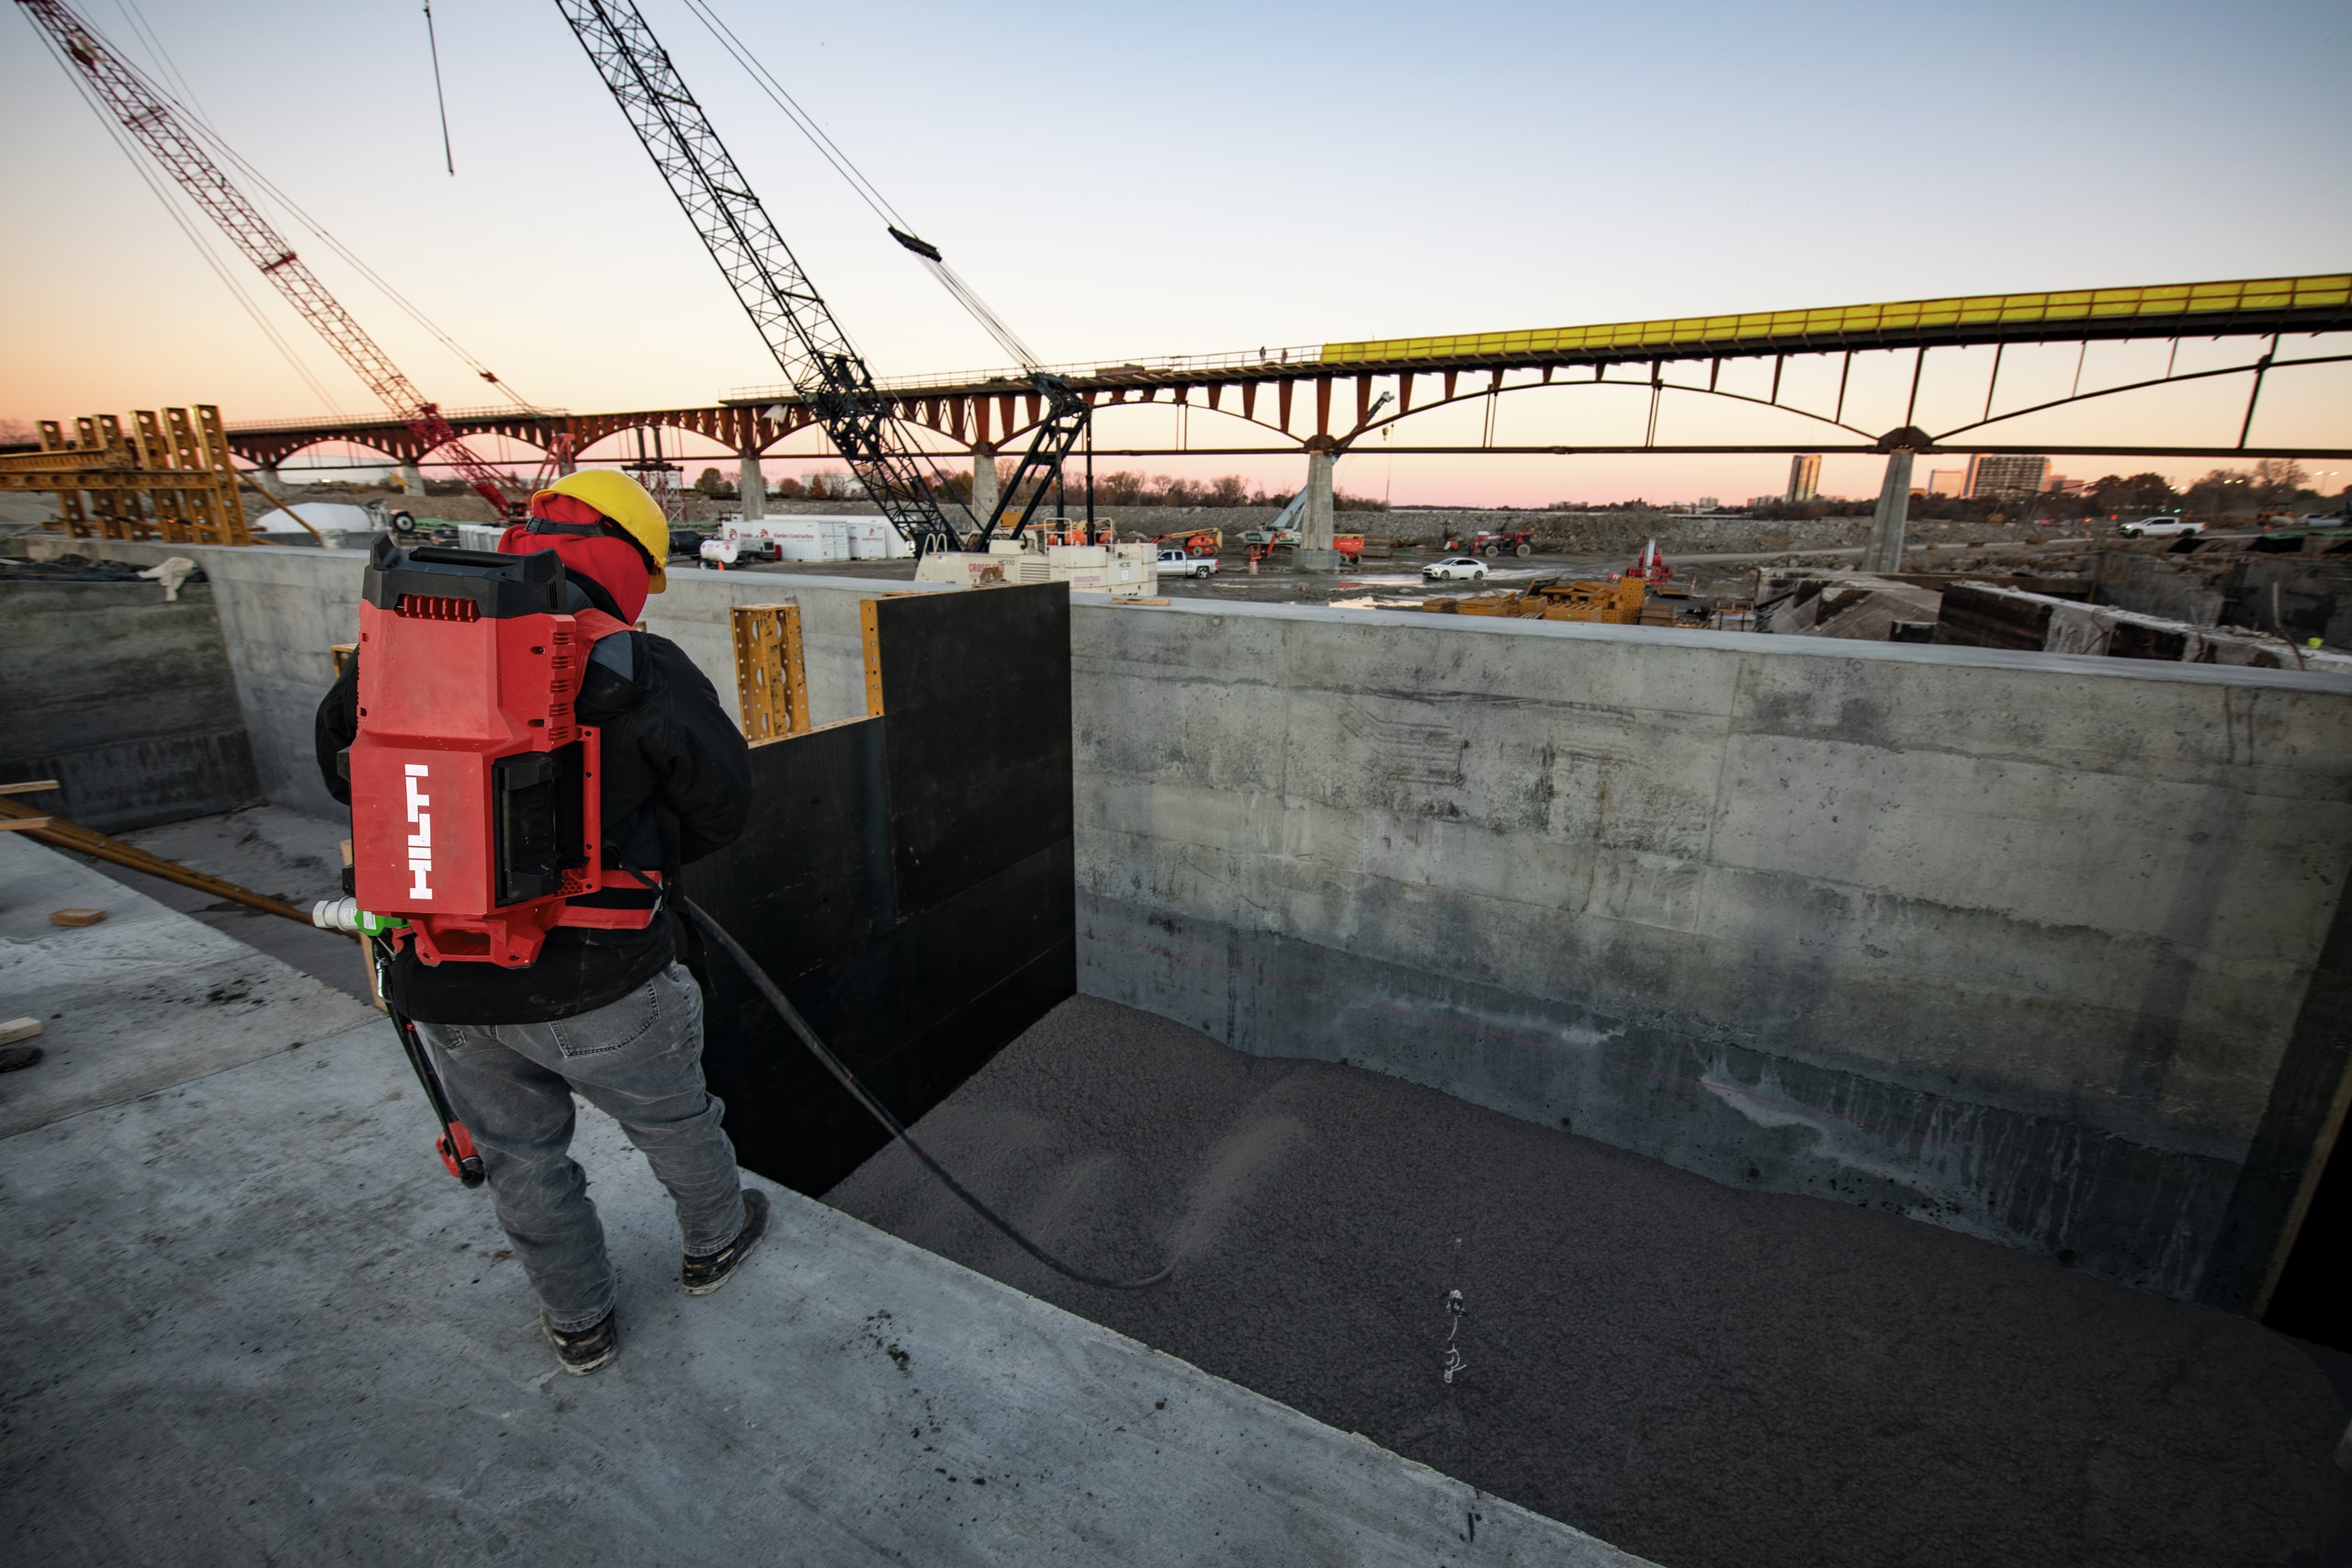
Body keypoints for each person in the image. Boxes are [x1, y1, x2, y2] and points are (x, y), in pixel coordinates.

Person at [314, 470, 760, 1376]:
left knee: (521, 1163)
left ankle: (578, 1321)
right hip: (606, 982)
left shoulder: (397, 652)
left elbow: (341, 770)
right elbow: (724, 808)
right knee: (676, 1122)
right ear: (625, 560)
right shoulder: (637, 666)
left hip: (444, 982)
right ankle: (715, 1241)